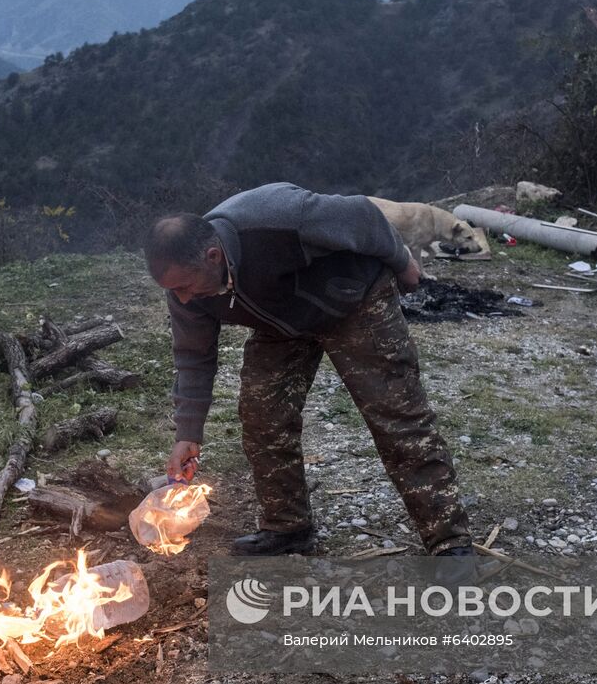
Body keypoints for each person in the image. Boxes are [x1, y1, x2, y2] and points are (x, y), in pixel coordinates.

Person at [145, 182, 472, 557]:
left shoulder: (278, 218)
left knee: (398, 417)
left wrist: (402, 262)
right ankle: (287, 528)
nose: (182, 298)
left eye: (185, 286)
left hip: (355, 301)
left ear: (214, 256)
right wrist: (188, 432)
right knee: (262, 416)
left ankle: (449, 541)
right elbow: (193, 356)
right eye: (173, 290)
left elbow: (363, 215)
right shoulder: (185, 291)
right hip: (281, 324)